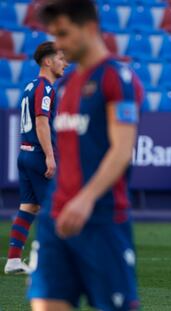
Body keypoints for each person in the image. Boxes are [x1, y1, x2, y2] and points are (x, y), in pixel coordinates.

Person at [28, 0, 143, 310]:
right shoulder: (66, 87)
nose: (58, 45)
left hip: (101, 218)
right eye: (54, 36)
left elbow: (122, 150)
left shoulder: (117, 78)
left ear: (90, 28)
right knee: (45, 303)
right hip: (57, 219)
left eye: (64, 34)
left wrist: (86, 198)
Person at [4, 41, 66, 274]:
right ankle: (46, 262)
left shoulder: (30, 86)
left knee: (29, 206)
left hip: (25, 153)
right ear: (48, 61)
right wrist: (50, 156)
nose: (65, 63)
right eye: (61, 58)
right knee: (55, 208)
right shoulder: (46, 88)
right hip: (39, 154)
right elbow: (41, 121)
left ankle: (13, 260)